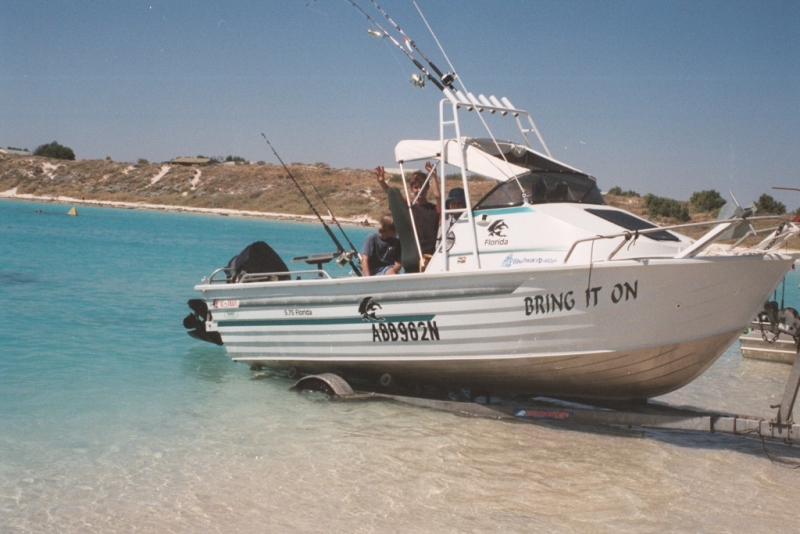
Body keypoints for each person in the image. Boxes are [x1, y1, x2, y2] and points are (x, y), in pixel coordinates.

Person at [374, 162, 441, 261]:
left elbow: (438, 196)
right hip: (413, 255)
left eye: (422, 187)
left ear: (427, 188)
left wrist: (434, 176)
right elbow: (393, 196)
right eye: (416, 187)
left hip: (431, 255)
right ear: (411, 189)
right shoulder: (409, 206)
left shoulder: (435, 209)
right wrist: (381, 182)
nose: (419, 190)